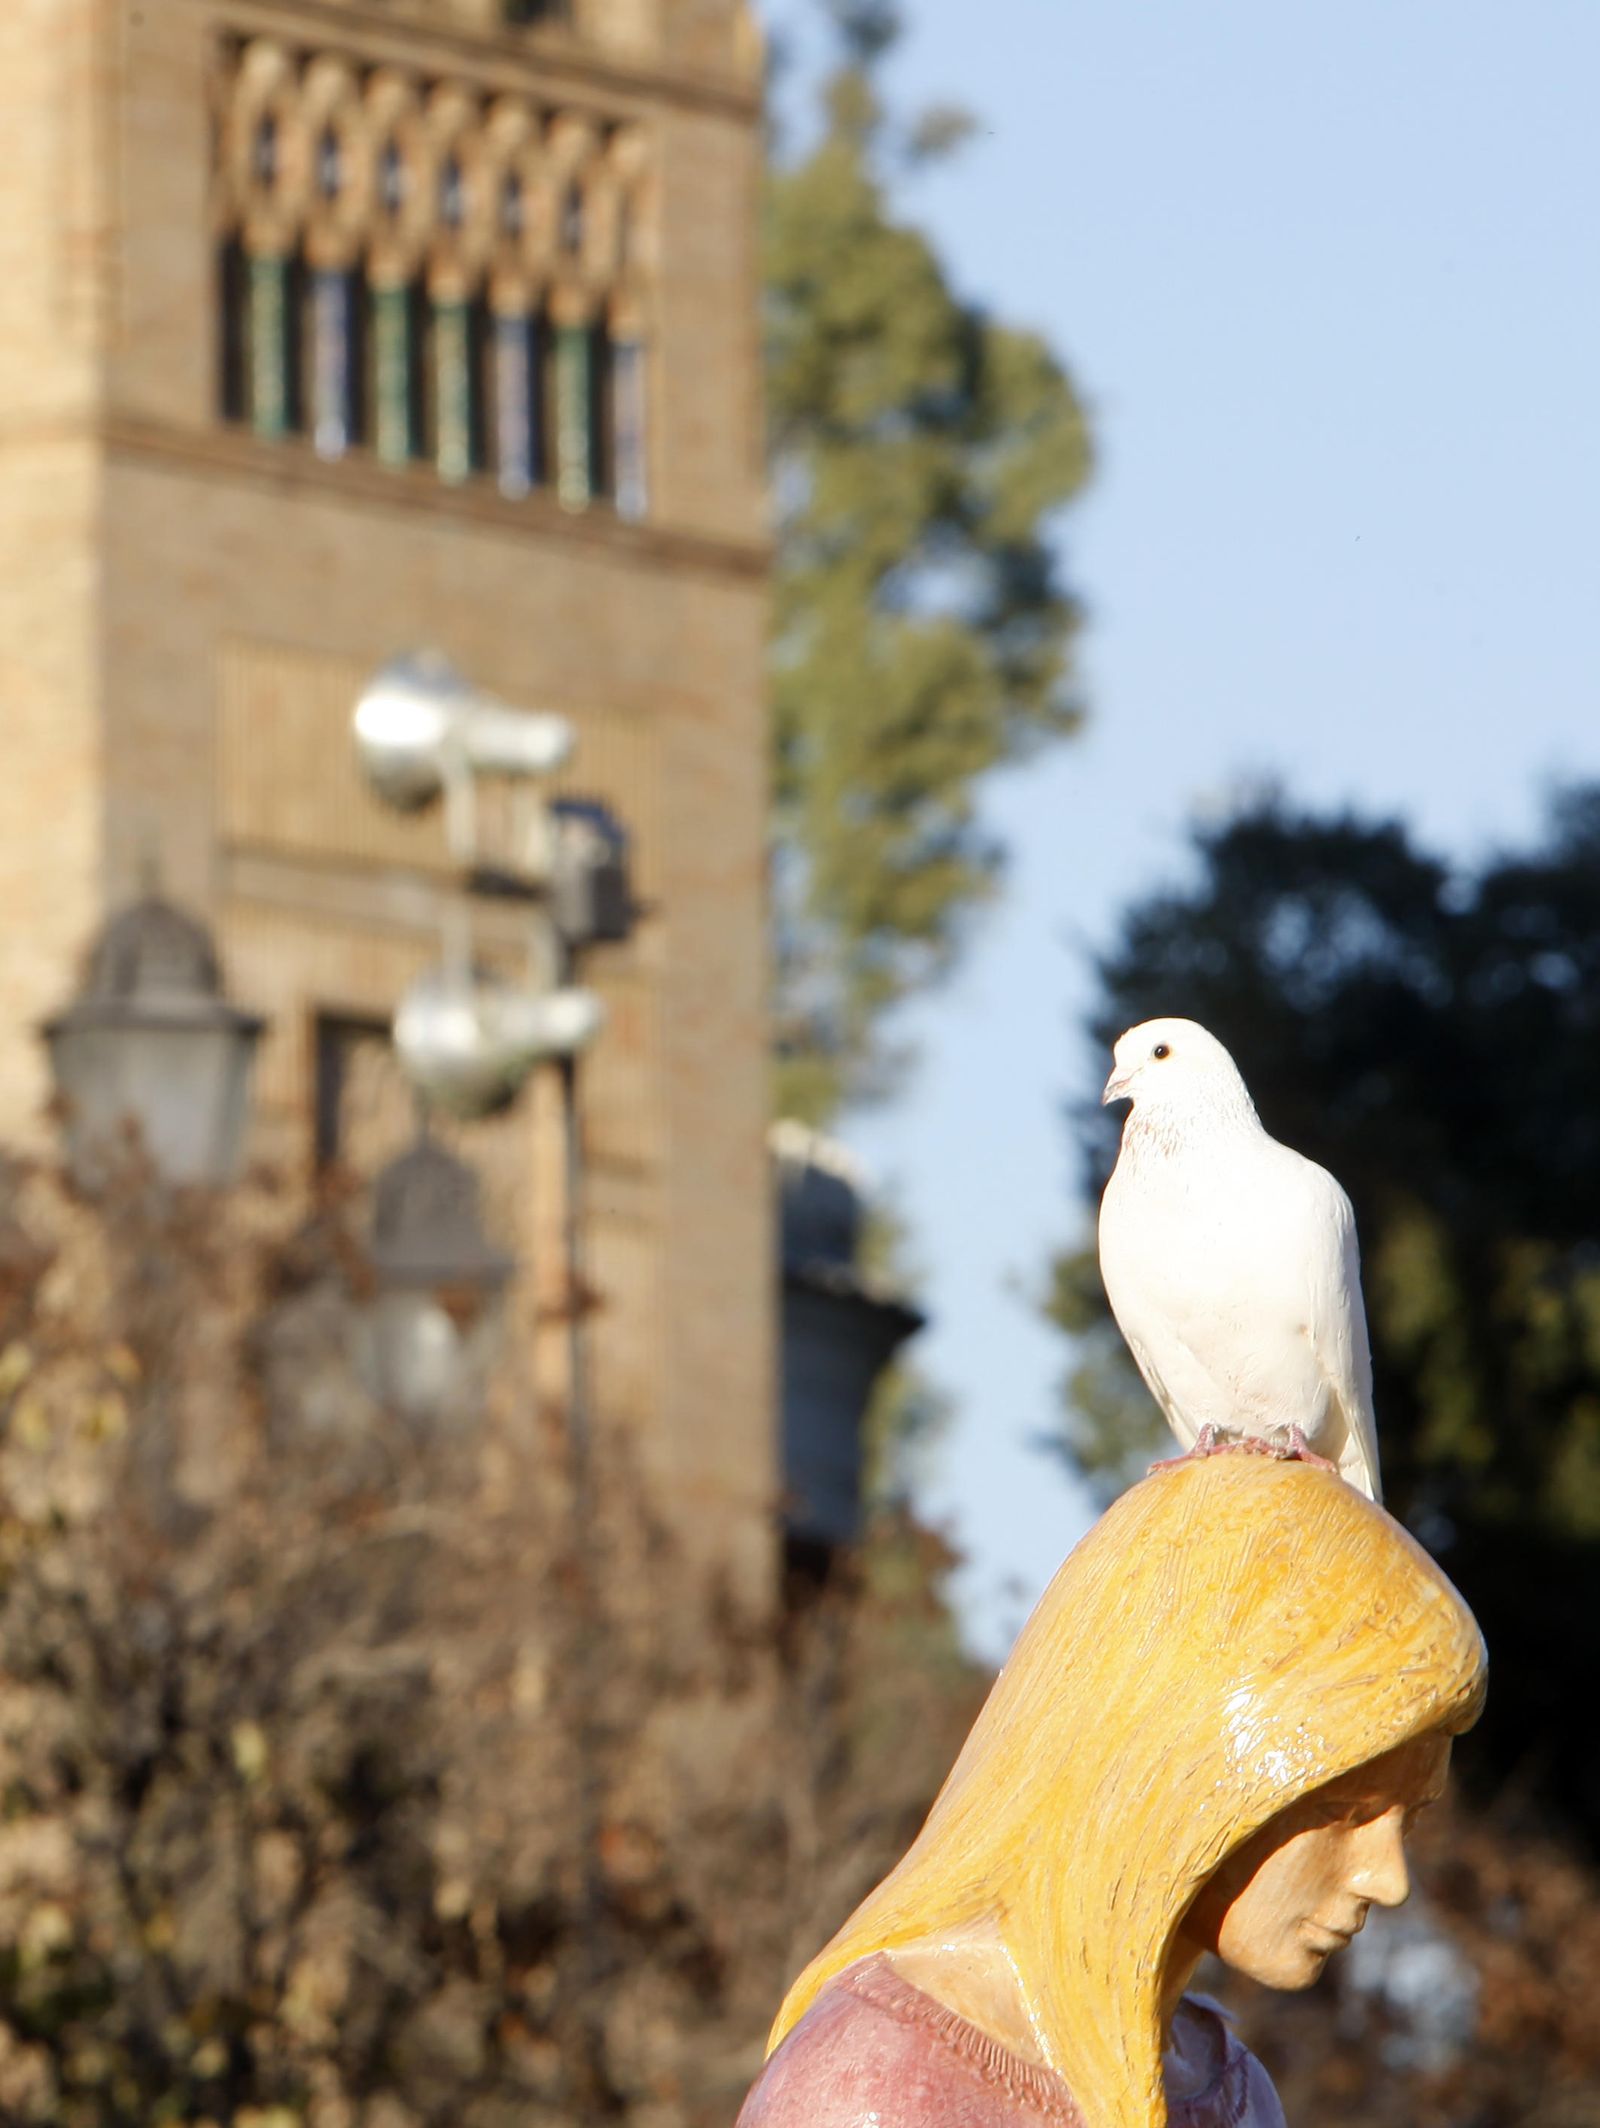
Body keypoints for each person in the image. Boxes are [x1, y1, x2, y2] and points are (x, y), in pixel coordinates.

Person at [738, 1455, 1486, 2128]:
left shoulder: (1238, 2096)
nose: (1388, 1880)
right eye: (1343, 1813)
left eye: (1409, 1821)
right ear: (1177, 1773)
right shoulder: (882, 2087)